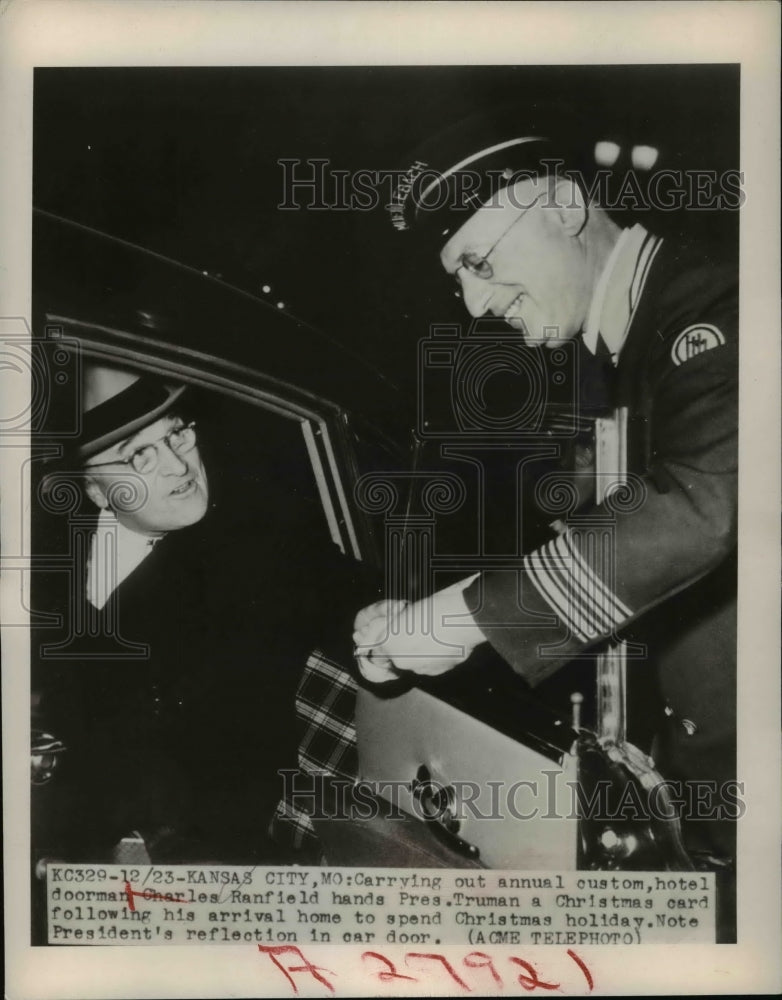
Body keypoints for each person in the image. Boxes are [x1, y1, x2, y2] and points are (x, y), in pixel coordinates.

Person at [354, 121, 738, 867]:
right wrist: (438, 615)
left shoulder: (718, 306)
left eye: (478, 260)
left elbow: (700, 507)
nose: (471, 305)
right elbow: (613, 549)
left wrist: (459, 620)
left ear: (564, 205)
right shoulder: (626, 343)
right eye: (456, 277)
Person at [33, 363, 373, 865]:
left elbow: (352, 603)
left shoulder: (259, 546)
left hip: (215, 854)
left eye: (176, 436)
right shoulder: (53, 554)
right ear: (95, 491)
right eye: (139, 457)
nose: (178, 466)